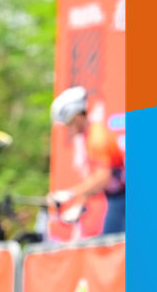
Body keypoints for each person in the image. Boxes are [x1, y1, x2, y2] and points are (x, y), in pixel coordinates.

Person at [49, 86, 125, 235]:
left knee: (112, 243)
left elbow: (103, 178)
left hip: (127, 196)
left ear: (77, 117)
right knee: (110, 241)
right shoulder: (89, 135)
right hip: (118, 196)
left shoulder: (96, 138)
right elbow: (97, 179)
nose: (68, 129)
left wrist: (70, 193)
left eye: (68, 124)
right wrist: (79, 202)